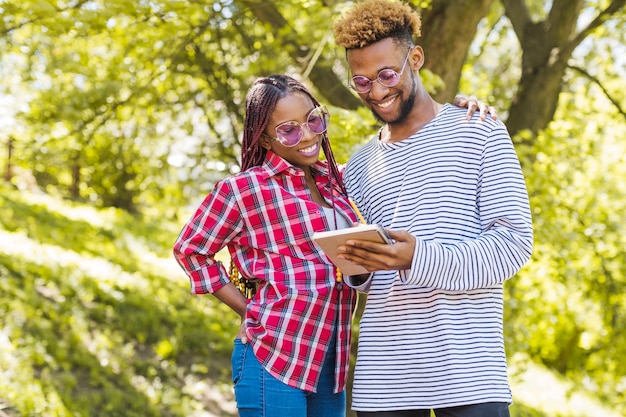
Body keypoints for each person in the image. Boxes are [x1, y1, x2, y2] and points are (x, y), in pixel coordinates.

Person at [172, 74, 494, 417]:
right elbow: (191, 250)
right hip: (274, 354)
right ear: (265, 139)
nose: (308, 135)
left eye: (313, 119)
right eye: (289, 129)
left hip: (330, 359)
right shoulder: (244, 190)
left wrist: (454, 116)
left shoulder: (338, 180)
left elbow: (405, 157)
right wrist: (248, 310)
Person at [332, 1, 534, 417]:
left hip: (469, 375)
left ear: (416, 58)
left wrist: (417, 257)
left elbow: (514, 245)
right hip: (384, 379)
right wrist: (359, 265)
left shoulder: (479, 131)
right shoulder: (358, 167)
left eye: (387, 74)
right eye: (362, 81)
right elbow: (371, 280)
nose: (378, 91)